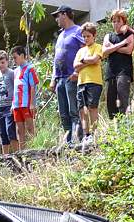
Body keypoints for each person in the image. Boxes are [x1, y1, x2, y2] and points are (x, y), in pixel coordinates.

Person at [50, 5, 85, 144]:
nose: (56, 19)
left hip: (72, 77)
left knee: (74, 111)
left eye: (57, 16)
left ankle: (77, 140)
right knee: (63, 113)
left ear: (64, 14)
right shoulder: (60, 35)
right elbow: (56, 58)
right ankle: (68, 142)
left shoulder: (78, 31)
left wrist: (77, 72)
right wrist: (53, 78)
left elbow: (85, 52)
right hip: (59, 80)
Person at [73, 22, 104, 142]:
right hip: (81, 82)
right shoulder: (80, 51)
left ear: (94, 35)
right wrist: (87, 61)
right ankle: (87, 135)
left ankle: (95, 134)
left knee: (92, 108)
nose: (86, 38)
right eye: (84, 36)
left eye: (88, 36)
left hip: (94, 82)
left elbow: (95, 59)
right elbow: (75, 66)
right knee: (82, 110)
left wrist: (83, 62)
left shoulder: (98, 47)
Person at [102, 9, 134, 119]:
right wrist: (121, 44)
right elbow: (104, 53)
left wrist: (112, 47)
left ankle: (124, 125)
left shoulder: (129, 34)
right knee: (110, 101)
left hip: (124, 71)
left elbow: (129, 50)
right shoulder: (108, 36)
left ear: (124, 22)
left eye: (118, 21)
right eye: (114, 21)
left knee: (122, 98)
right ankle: (113, 127)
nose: (115, 24)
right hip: (111, 71)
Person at [0, 50, 19, 154]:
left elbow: (16, 90)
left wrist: (13, 104)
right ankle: (6, 157)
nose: (0, 65)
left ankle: (17, 154)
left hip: (9, 106)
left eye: (2, 62)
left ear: (7, 62)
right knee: (2, 134)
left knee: (10, 131)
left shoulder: (11, 73)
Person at [12, 46, 39, 145]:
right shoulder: (15, 71)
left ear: (22, 55)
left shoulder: (30, 68)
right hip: (16, 105)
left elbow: (33, 86)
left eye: (15, 57)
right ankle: (21, 151)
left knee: (30, 127)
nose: (13, 60)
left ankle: (34, 147)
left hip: (26, 103)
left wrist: (32, 103)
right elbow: (14, 88)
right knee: (19, 129)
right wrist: (12, 104)